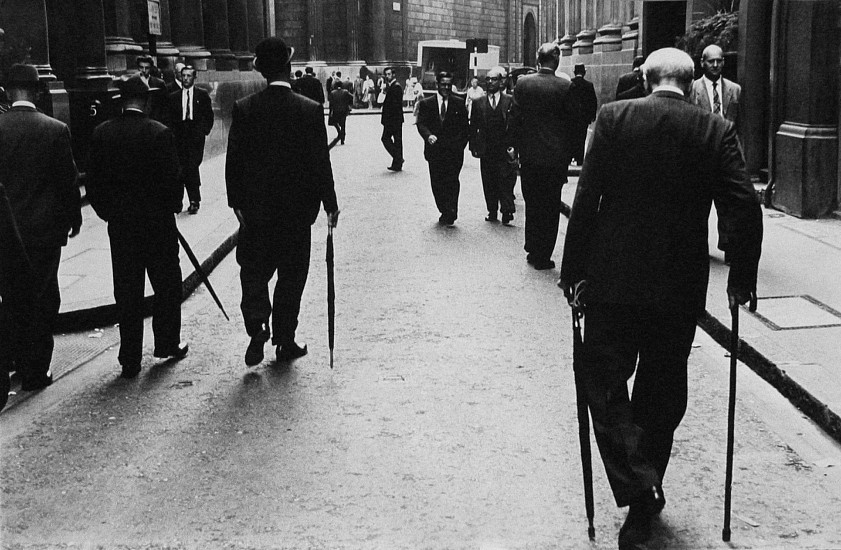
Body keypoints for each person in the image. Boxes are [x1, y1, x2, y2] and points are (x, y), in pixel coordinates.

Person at [558, 47, 763, 550]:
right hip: (679, 285)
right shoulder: (713, 129)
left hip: (614, 280)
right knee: (662, 389)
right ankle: (645, 485)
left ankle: (637, 487)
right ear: (691, 83)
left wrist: (573, 270)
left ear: (646, 79)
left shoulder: (613, 118)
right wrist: (741, 275)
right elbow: (744, 204)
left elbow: (587, 198)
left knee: (601, 377)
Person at [226, 37, 340, 366]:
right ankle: (284, 339)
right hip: (296, 215)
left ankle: (258, 322)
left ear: (261, 70)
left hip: (257, 215)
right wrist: (330, 204)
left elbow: (233, 163)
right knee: (292, 277)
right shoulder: (309, 110)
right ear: (289, 68)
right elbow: (321, 163)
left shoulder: (245, 108)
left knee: (254, 271)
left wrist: (237, 204)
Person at [86, 75, 188, 379]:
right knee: (167, 286)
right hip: (158, 228)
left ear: (121, 101)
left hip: (122, 228)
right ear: (146, 101)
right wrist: (171, 207)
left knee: (128, 292)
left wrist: (110, 214)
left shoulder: (102, 134)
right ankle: (167, 343)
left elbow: (93, 185)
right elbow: (173, 185)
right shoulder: (160, 133)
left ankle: (129, 357)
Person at [0, 64, 82, 391]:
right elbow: (68, 183)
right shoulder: (55, 129)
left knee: (11, 295)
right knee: (43, 297)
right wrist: (73, 219)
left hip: (5, 232)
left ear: (7, 92)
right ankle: (36, 371)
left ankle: (14, 361)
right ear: (37, 92)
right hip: (43, 233)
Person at [509, 42, 576, 270]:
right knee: (550, 205)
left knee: (532, 202)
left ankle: (532, 246)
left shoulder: (523, 83)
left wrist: (515, 149)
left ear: (538, 60)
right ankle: (543, 253)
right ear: (556, 61)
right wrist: (570, 155)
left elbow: (515, 119)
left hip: (529, 156)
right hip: (555, 159)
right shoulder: (566, 87)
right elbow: (572, 125)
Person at [690, 44, 743, 263]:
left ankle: (729, 246)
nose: (715, 65)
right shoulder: (692, 88)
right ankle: (698, 247)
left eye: (719, 60)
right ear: (702, 63)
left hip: (727, 154)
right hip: (701, 153)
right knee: (699, 204)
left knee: (728, 204)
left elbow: (740, 122)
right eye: (710, 61)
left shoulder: (735, 89)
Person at [416, 71, 470, 226]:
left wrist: (459, 145)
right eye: (443, 84)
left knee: (452, 181)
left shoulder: (458, 103)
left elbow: (465, 128)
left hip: (453, 153)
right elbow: (421, 124)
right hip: (435, 152)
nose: (446, 87)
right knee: (437, 182)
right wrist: (428, 136)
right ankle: (443, 208)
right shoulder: (427, 103)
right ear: (437, 85)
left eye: (448, 85)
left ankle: (451, 211)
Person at [469, 66, 516, 225]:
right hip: (486, 148)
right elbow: (473, 126)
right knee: (488, 180)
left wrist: (514, 146)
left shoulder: (509, 100)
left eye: (494, 79)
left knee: (506, 180)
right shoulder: (478, 102)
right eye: (487, 79)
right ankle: (492, 210)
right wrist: (473, 146)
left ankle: (507, 210)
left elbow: (515, 125)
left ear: (501, 82)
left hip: (504, 148)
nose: (490, 82)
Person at [167, 65, 214, 214]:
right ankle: (178, 201)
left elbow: (209, 116)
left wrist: (203, 131)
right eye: (184, 76)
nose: (186, 78)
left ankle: (194, 200)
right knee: (180, 168)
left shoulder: (202, 95)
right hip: (179, 136)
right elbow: (169, 117)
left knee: (192, 166)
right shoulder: (173, 97)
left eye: (189, 76)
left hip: (195, 137)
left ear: (194, 77)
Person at [568, 63, 598, 166]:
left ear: (574, 72)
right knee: (581, 137)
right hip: (583, 118)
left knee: (572, 136)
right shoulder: (589, 85)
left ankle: (571, 156)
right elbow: (593, 101)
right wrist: (592, 116)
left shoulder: (570, 84)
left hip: (572, 117)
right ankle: (579, 159)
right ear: (584, 72)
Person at [380, 67, 404, 172]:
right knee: (397, 141)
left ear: (393, 75)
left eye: (389, 74)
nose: (387, 76)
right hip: (394, 119)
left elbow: (395, 105)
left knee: (386, 139)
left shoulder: (396, 87)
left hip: (393, 120)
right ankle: (397, 163)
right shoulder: (392, 86)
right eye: (386, 74)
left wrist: (388, 120)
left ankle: (398, 159)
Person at [136, 55, 167, 121]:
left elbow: (164, 105)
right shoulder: (133, 83)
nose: (144, 70)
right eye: (141, 67)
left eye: (147, 68)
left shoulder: (159, 83)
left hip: (155, 120)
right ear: (138, 68)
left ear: (151, 68)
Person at [327, 79, 352, 147]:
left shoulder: (333, 93)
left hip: (336, 110)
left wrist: (331, 110)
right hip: (343, 110)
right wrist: (348, 104)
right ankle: (342, 139)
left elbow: (331, 103)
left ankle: (339, 132)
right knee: (343, 124)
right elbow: (351, 97)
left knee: (335, 122)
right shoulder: (345, 92)